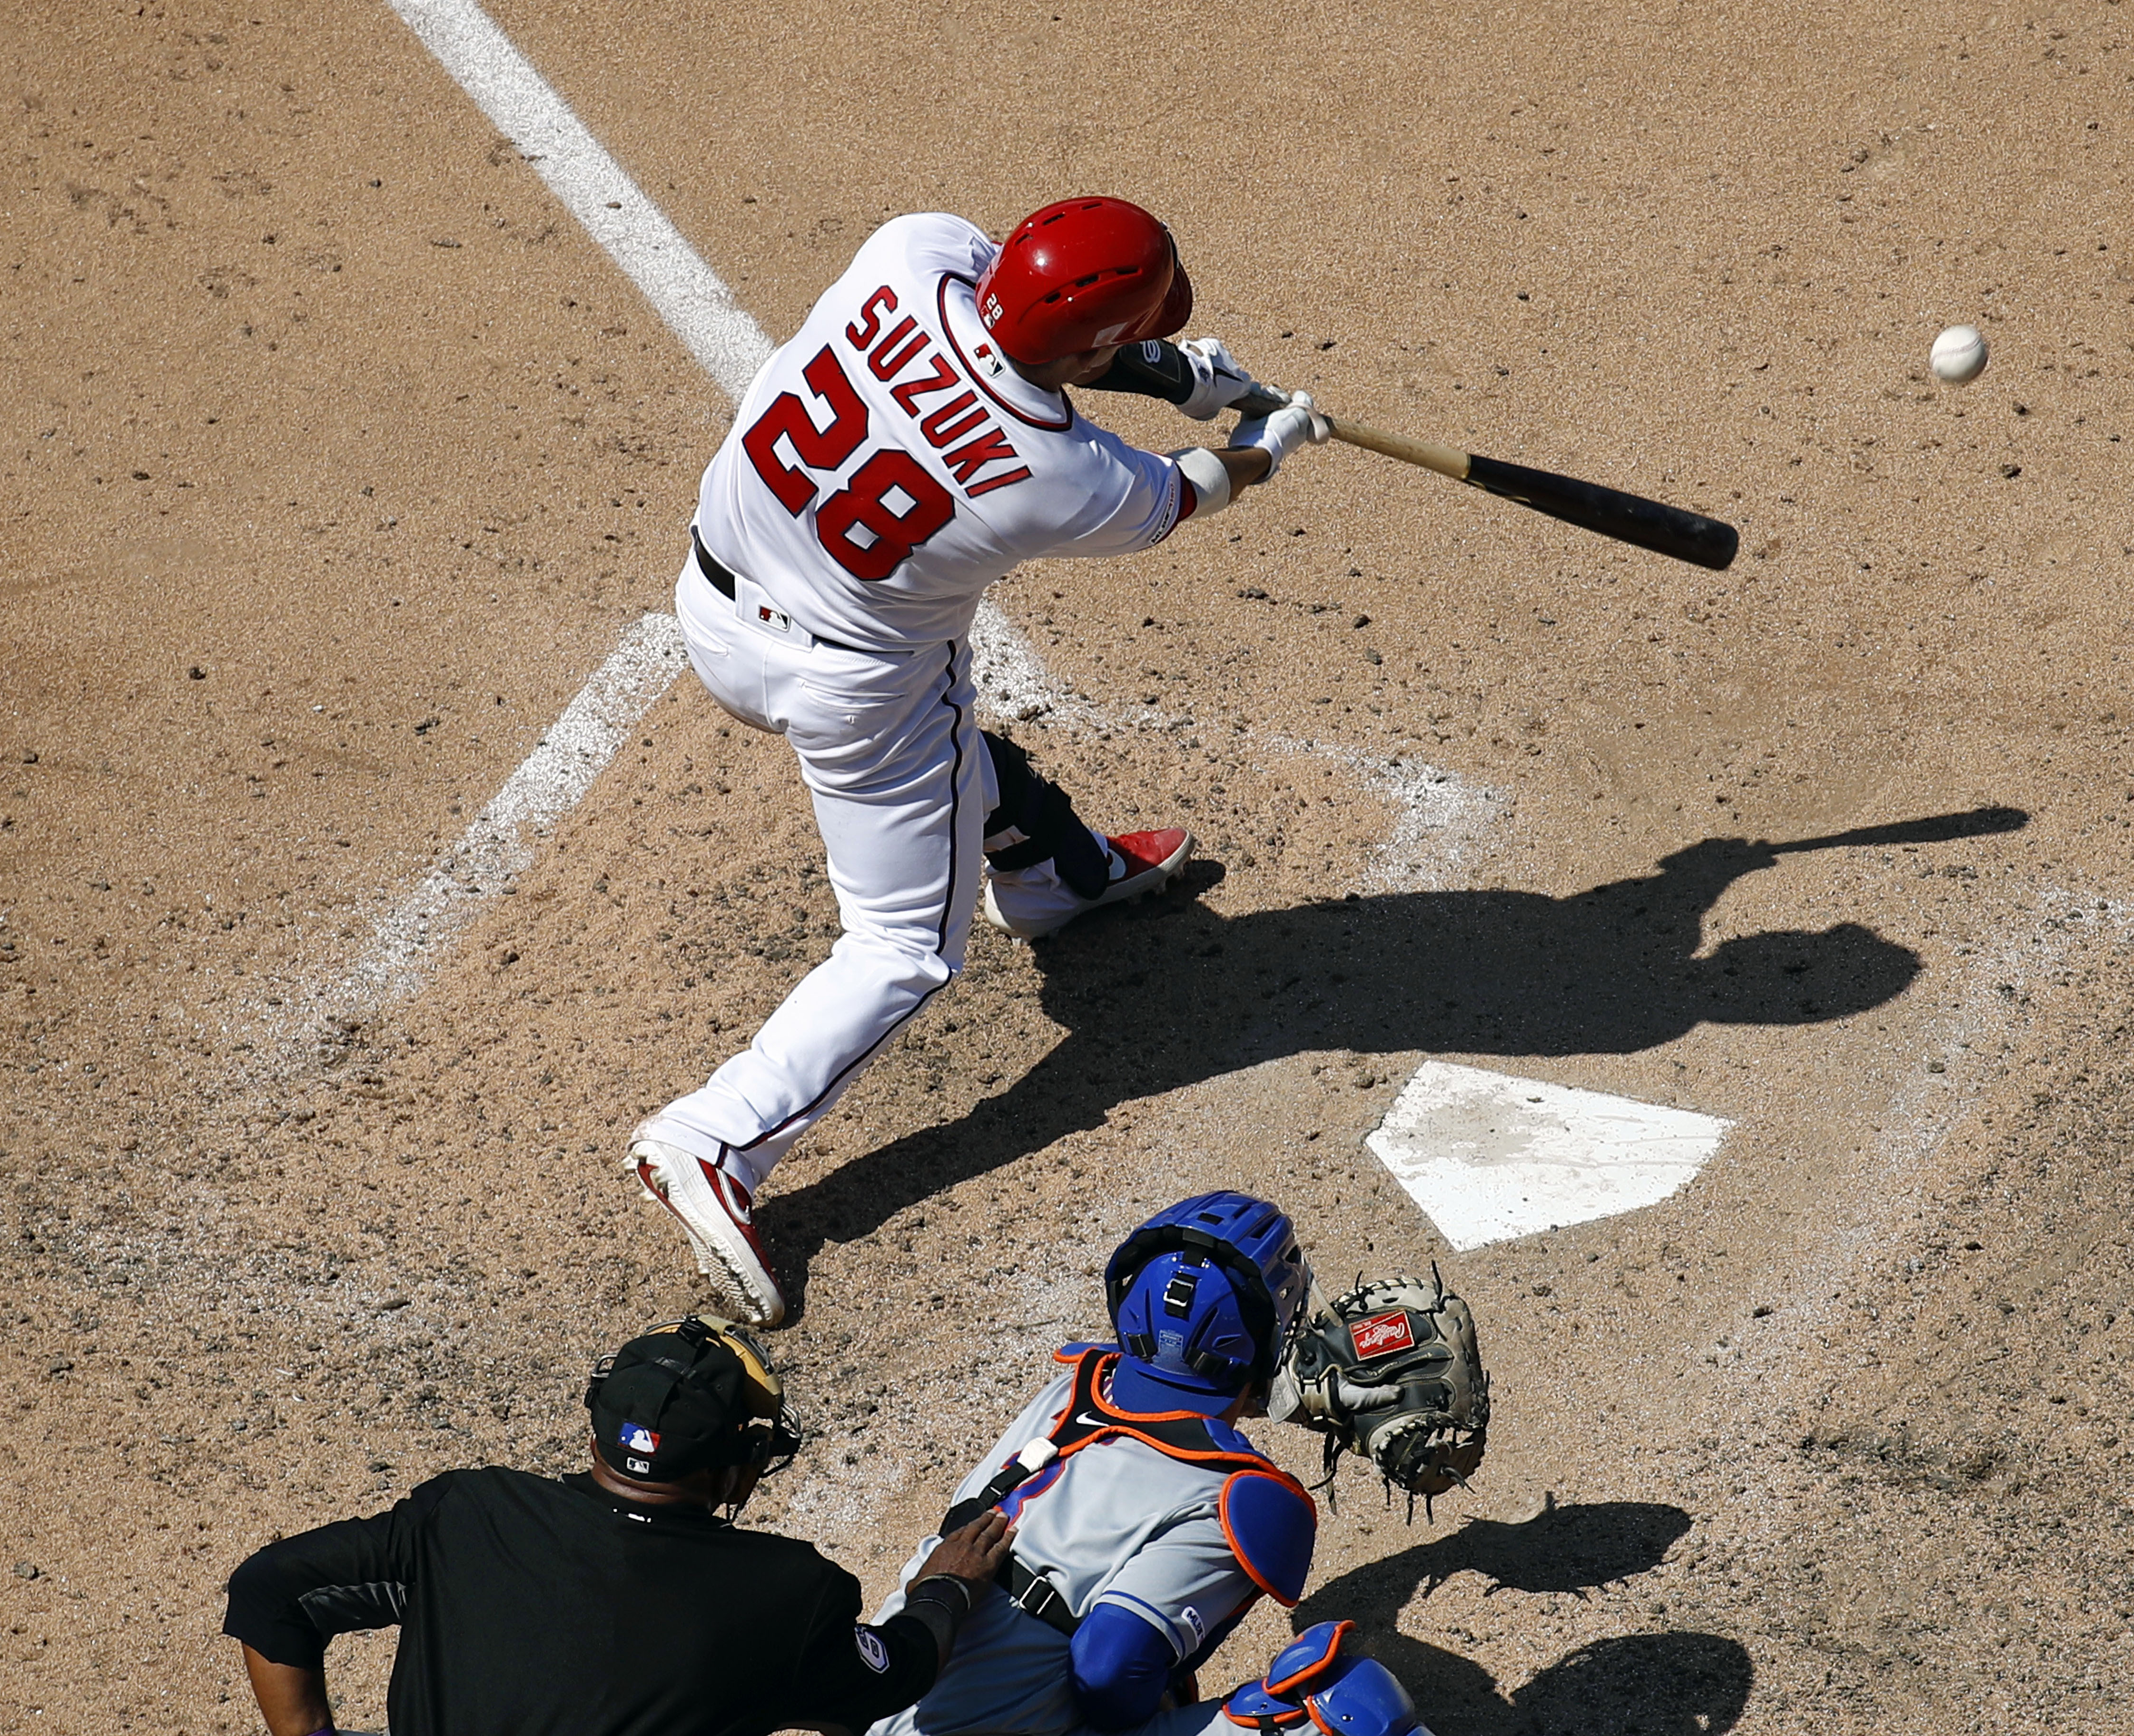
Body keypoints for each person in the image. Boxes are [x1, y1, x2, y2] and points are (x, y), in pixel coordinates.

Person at [627, 196, 1329, 1328]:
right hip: (852, 692)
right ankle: (715, 1138)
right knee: (902, 946)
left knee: (946, 761)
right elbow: (1185, 490)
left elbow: (1021, 328)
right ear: (1098, 346)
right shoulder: (1063, 478)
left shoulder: (907, 254)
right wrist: (1263, 443)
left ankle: (1052, 874)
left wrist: (1174, 373)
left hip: (713, 604)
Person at [221, 1316, 1014, 1736]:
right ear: (735, 1469)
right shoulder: (789, 1592)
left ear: (597, 1433)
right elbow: (899, 1673)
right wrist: (944, 1588)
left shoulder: (466, 1514)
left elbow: (270, 1590)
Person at [857, 1191, 1433, 1736]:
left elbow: (1169, 1392)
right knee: (1350, 1707)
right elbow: (1107, 1675)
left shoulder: (1069, 1389)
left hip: (880, 1697)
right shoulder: (1241, 1501)